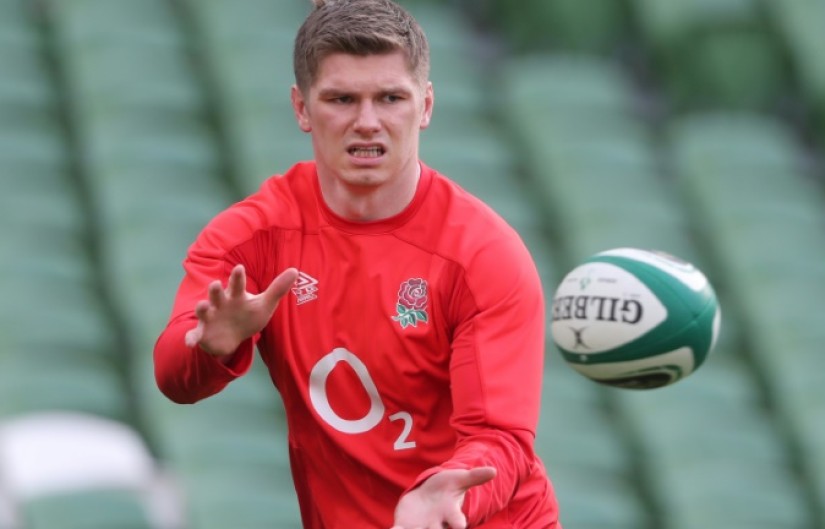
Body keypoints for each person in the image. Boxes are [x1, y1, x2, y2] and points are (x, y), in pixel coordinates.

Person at [153, 0, 561, 527]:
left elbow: (500, 437)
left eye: (390, 98)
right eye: (341, 99)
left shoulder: (482, 254)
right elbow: (173, 375)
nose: (367, 123)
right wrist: (211, 346)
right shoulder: (253, 238)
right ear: (302, 108)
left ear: (426, 105)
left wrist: (448, 497)